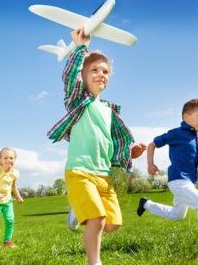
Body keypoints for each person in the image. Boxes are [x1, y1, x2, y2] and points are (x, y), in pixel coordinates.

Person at [47, 28, 146, 265]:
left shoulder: (109, 110)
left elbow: (109, 143)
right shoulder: (78, 101)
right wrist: (80, 48)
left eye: (105, 71)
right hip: (80, 171)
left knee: (112, 224)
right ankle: (94, 262)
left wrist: (130, 152)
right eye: (94, 70)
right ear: (83, 76)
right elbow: (70, 77)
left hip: (104, 175)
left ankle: (76, 210)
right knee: (98, 219)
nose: (100, 74)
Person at [137, 99, 198, 254]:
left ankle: (146, 204)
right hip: (178, 180)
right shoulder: (176, 133)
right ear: (186, 117)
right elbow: (152, 144)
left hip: (189, 182)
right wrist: (150, 164)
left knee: (177, 215)